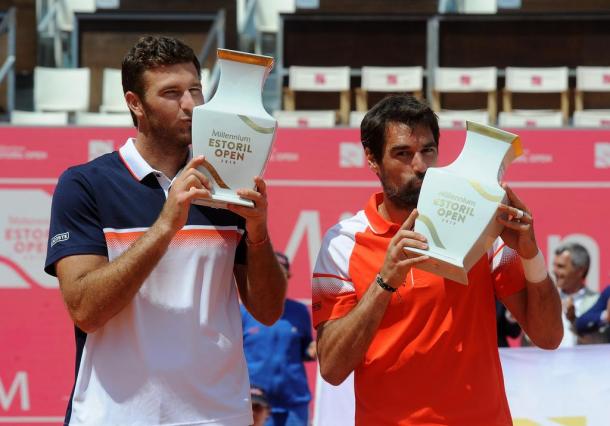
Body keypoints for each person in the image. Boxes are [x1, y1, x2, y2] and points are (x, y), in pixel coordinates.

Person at [44, 36, 287, 426]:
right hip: (115, 417)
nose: (191, 105)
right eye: (171, 93)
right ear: (134, 103)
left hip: (217, 416)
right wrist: (166, 225)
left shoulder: (229, 183)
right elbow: (85, 310)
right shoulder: (86, 185)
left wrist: (258, 233)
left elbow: (269, 310)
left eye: (195, 90)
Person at [312, 94, 563, 425]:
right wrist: (385, 280)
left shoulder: (482, 229)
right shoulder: (344, 242)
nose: (420, 166)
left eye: (427, 151)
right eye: (402, 154)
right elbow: (332, 368)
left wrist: (530, 253)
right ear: (372, 160)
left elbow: (548, 336)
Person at [241, 252, 315, 426]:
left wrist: (316, 349)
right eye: (272, 275)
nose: (276, 281)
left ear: (288, 278)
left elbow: (305, 350)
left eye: (281, 275)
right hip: (255, 401)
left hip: (293, 401)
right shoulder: (245, 311)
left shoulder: (300, 311)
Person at [551, 242, 599, 346]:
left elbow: (601, 342)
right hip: (547, 361)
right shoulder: (546, 300)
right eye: (554, 266)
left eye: (561, 266)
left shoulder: (597, 302)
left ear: (580, 270)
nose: (554, 271)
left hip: (585, 362)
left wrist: (573, 319)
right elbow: (528, 340)